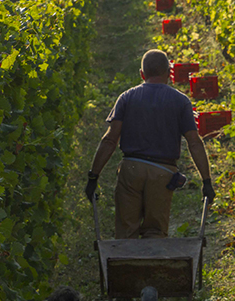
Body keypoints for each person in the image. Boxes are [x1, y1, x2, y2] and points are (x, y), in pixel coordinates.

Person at [86, 49, 215, 238]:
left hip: (131, 170)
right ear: (169, 73)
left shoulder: (127, 98)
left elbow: (110, 139)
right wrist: (206, 181)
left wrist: (93, 177)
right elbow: (194, 142)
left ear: (141, 74)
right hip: (162, 174)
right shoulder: (180, 101)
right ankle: (152, 265)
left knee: (126, 233)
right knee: (155, 233)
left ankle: (127, 264)